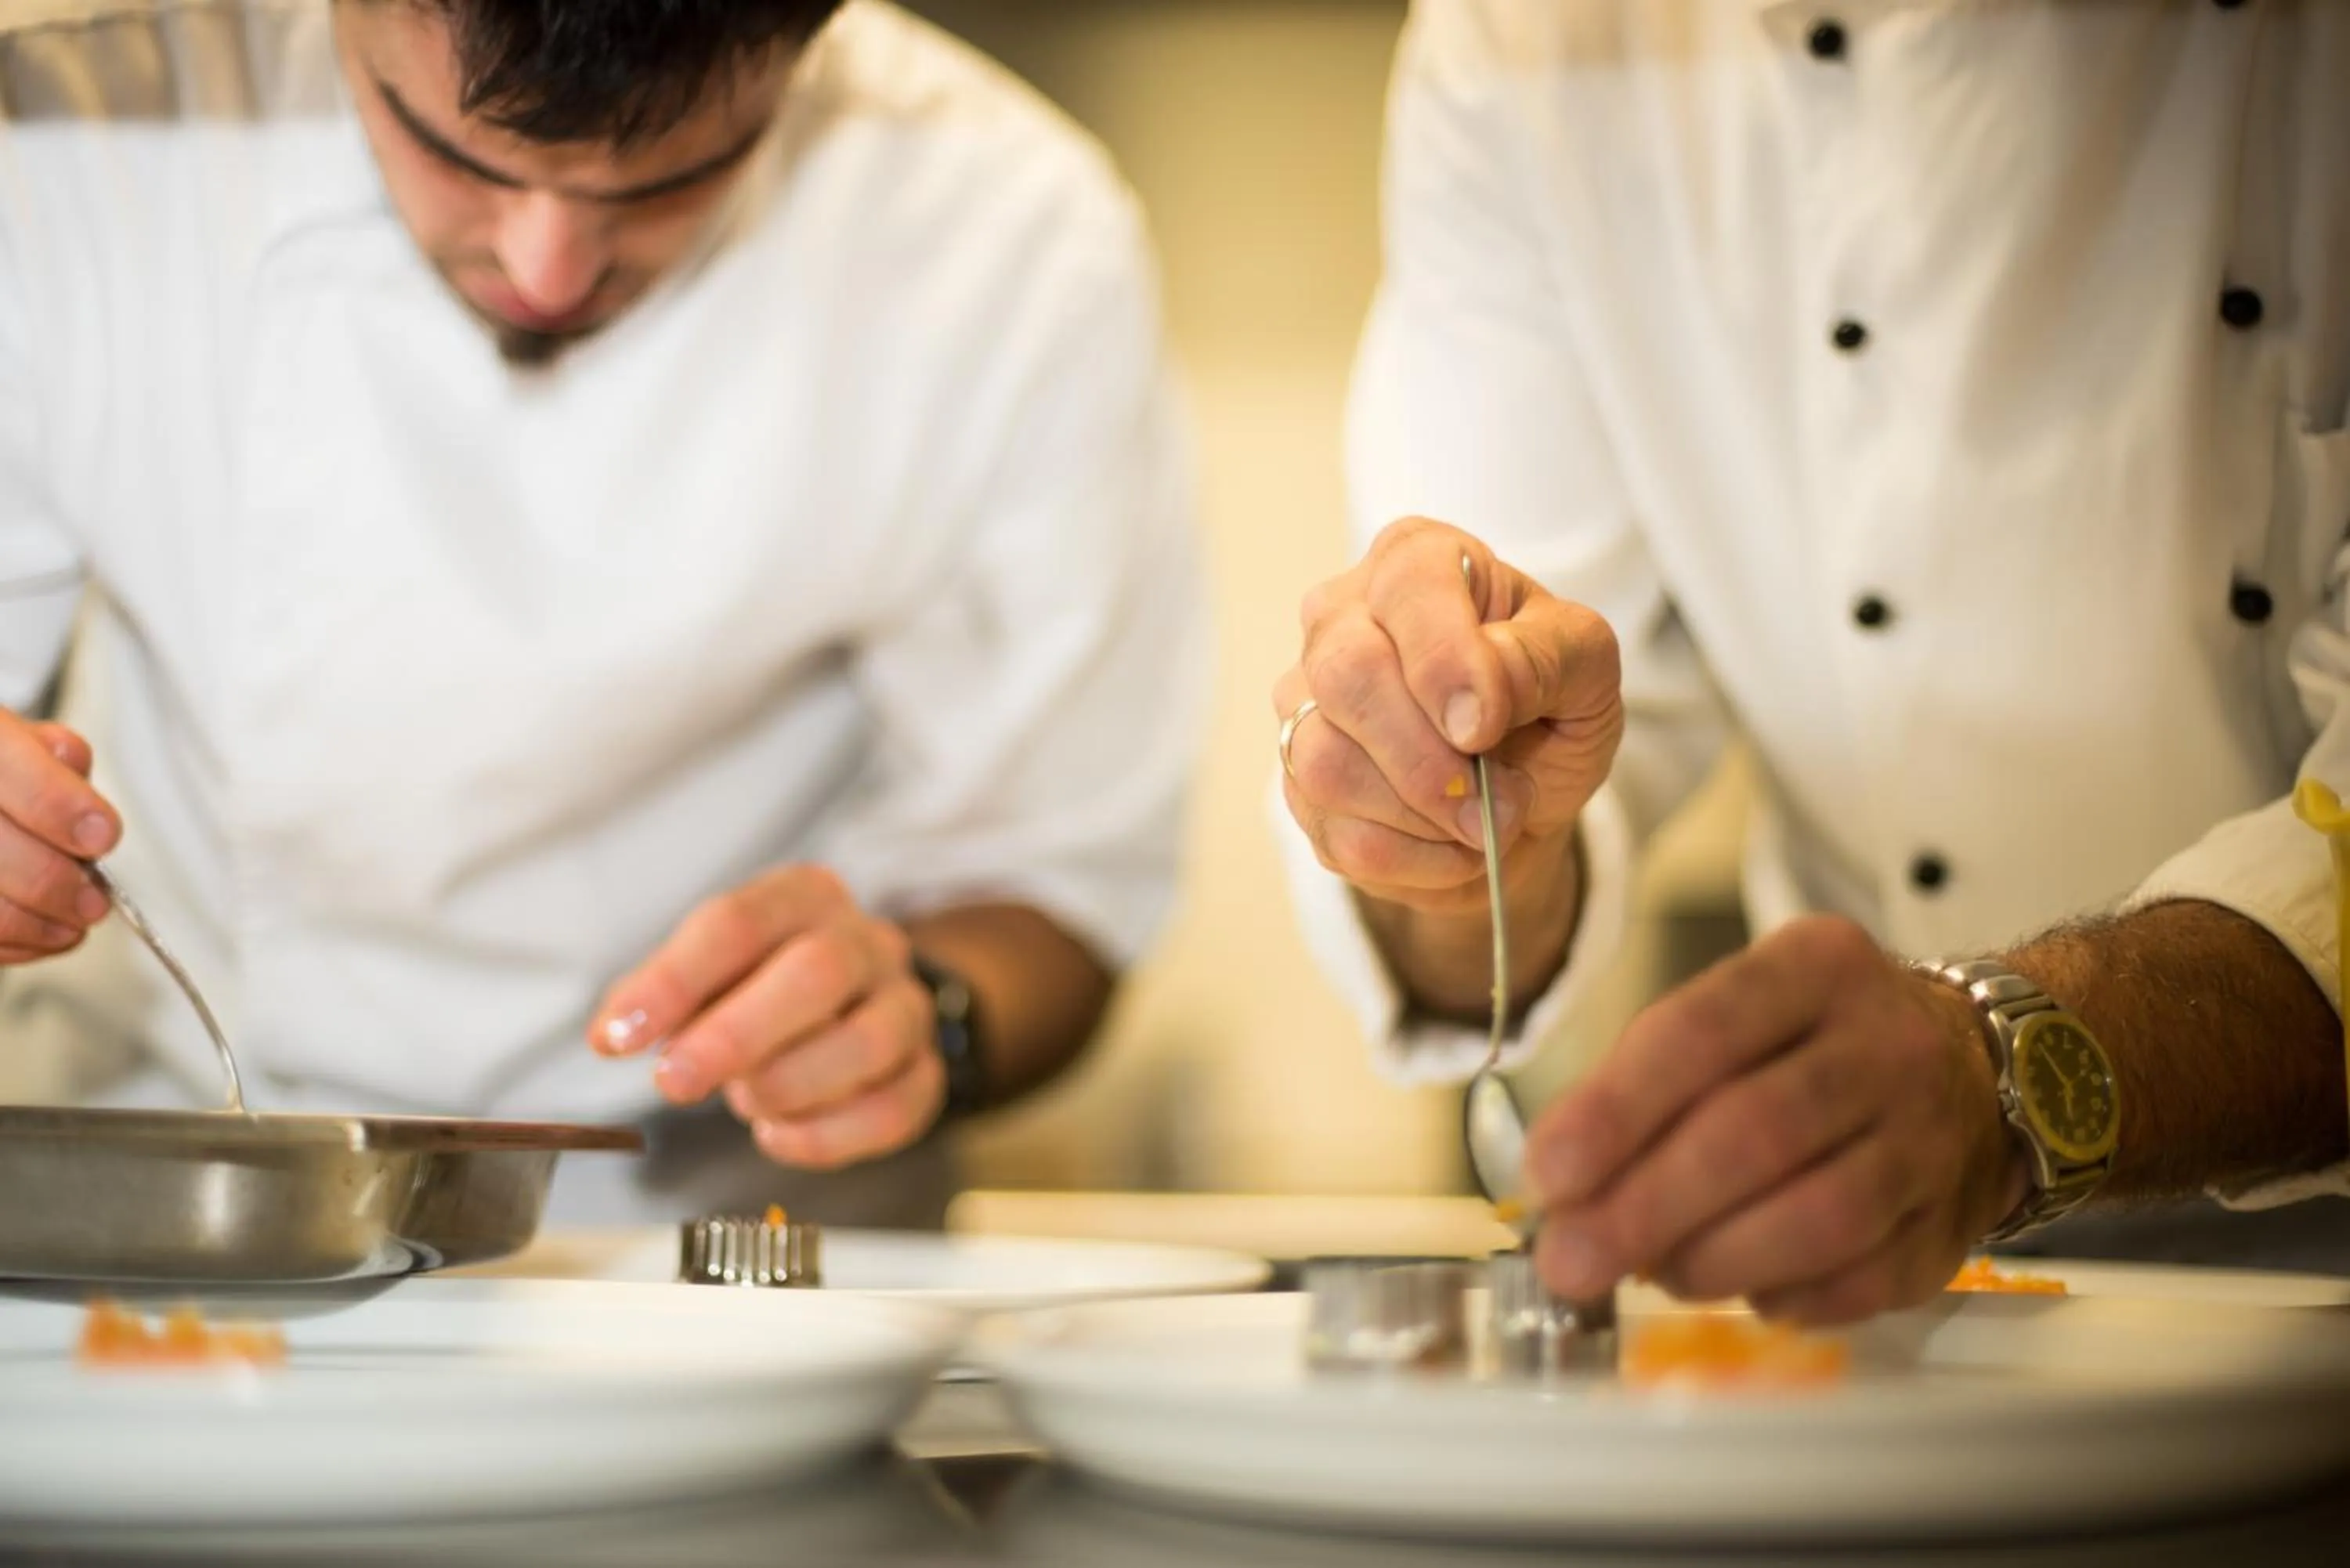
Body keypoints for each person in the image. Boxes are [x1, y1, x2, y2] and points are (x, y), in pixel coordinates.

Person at [0, 0, 1202, 1228]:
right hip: (185, 1221)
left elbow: (1055, 897)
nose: (547, 270)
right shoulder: (73, 136)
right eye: (452, 152)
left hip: (733, 1264)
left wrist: (924, 1017)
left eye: (673, 180)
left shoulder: (1011, 240)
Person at [1278, 0, 2350, 1321]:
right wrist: (1434, 819)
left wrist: (2004, 1070)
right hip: (1892, 1265)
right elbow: (1495, 822)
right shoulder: (1530, 40)